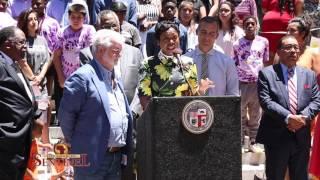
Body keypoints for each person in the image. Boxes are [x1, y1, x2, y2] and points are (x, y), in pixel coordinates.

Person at [58, 29, 133, 179]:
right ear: (100, 51)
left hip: (116, 157)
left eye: (120, 51)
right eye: (116, 51)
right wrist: (79, 145)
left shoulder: (114, 76)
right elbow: (66, 116)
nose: (120, 55)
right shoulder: (82, 77)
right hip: (90, 159)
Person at [256, 35, 320, 180]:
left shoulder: (309, 75)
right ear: (278, 52)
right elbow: (266, 101)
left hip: (301, 137)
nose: (293, 51)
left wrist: (302, 118)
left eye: (296, 47)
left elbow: (316, 100)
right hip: (276, 136)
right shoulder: (267, 74)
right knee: (275, 176)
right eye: (288, 47)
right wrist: (289, 118)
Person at [138, 20, 212, 109]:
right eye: (166, 38)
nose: (171, 41)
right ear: (158, 41)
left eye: (174, 37)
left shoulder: (189, 62)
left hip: (183, 117)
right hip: (159, 117)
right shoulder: (148, 64)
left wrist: (201, 89)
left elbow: (193, 97)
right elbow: (144, 98)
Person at [0, 26, 39, 180]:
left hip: (21, 138)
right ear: (8, 44)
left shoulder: (15, 63)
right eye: (22, 43)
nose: (26, 47)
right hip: (6, 141)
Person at [233, 16, 269, 144]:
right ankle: (241, 141)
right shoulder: (237, 44)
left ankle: (254, 140)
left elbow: (265, 61)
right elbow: (235, 63)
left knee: (255, 114)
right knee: (241, 113)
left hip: (257, 83)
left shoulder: (264, 42)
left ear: (256, 25)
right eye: (247, 24)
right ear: (243, 27)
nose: (250, 26)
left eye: (252, 24)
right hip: (242, 83)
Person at [17, 9, 51, 143]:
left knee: (43, 116)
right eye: (30, 19)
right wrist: (33, 78)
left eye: (35, 19)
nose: (33, 22)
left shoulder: (42, 40)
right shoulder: (22, 40)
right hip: (28, 86)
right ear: (25, 22)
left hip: (41, 85)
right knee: (31, 119)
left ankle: (46, 145)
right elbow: (22, 62)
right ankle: (31, 149)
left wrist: (41, 77)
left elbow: (48, 59)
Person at [185, 16, 239, 96]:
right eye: (203, 32)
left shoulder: (227, 62)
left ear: (217, 36)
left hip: (218, 107)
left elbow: (233, 93)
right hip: (191, 107)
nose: (207, 37)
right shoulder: (185, 60)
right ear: (197, 32)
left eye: (211, 33)